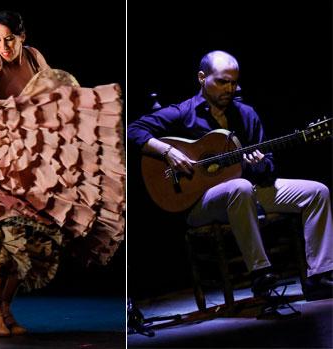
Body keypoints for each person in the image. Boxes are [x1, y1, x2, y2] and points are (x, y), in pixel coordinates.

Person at [0, 10, 125, 337]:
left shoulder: (33, 57)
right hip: (1, 158)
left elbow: (55, 90)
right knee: (7, 232)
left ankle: (4, 308)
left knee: (33, 237)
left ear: (23, 36)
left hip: (34, 160)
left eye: (9, 40)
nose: (2, 46)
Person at [127, 50, 332, 300]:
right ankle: (261, 273)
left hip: (249, 191)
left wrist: (256, 164)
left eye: (234, 82)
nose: (230, 88)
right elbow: (132, 130)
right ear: (202, 78)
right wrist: (168, 151)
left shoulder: (246, 114)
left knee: (318, 192)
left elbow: (268, 166)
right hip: (198, 202)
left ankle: (319, 276)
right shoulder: (182, 113)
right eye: (222, 81)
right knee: (240, 187)